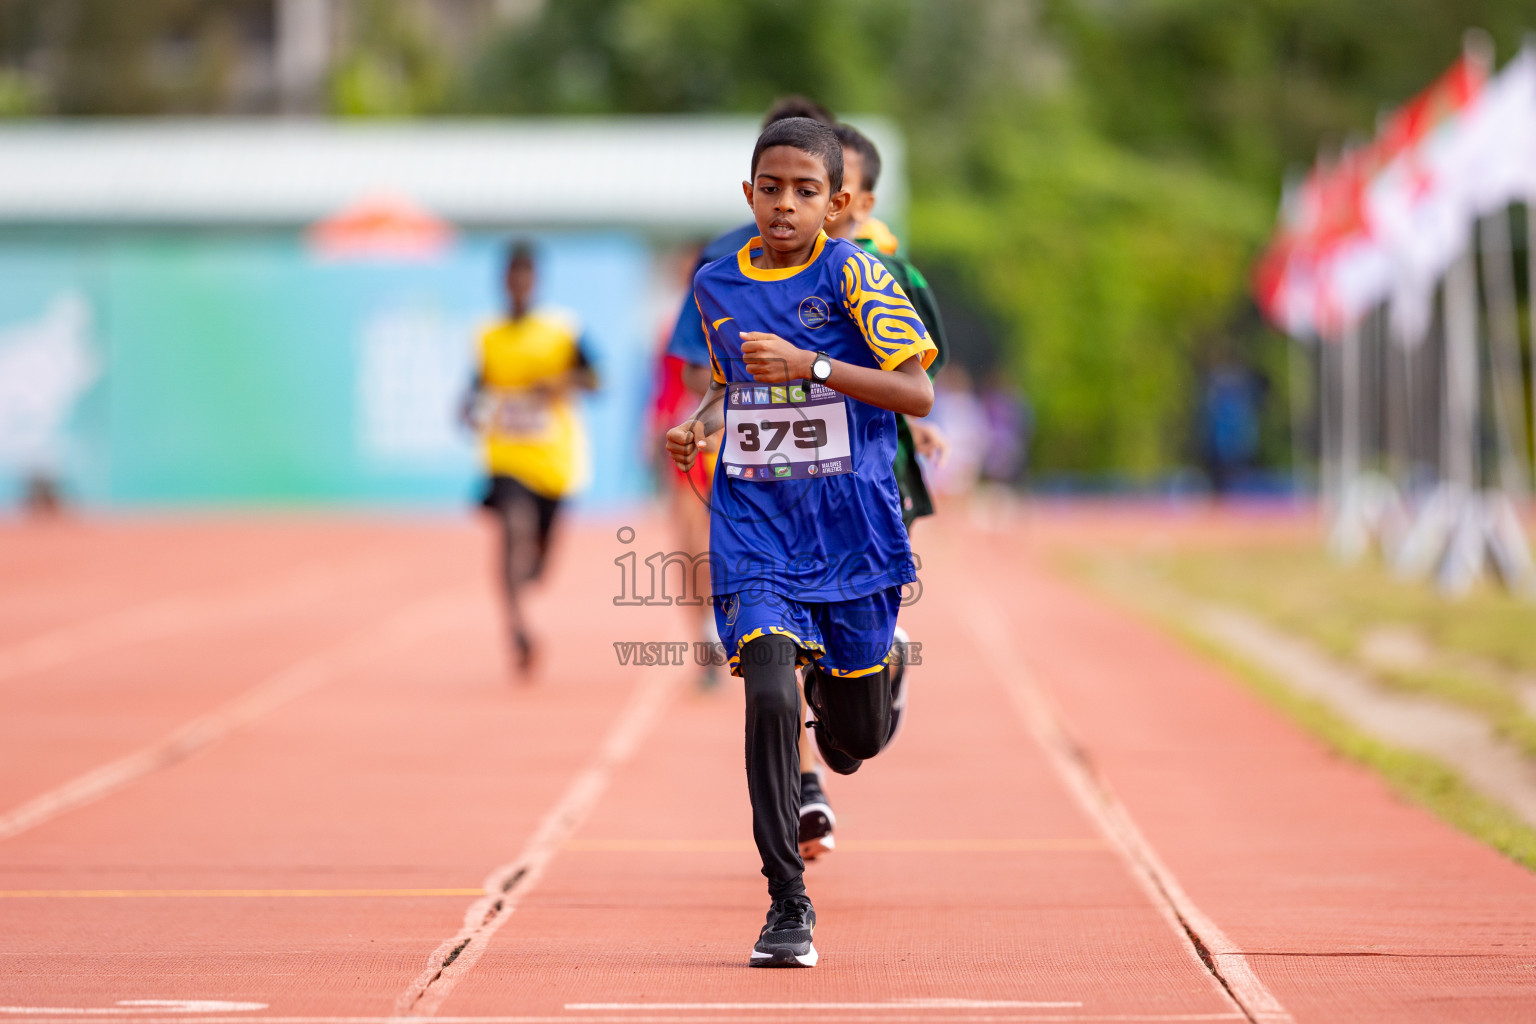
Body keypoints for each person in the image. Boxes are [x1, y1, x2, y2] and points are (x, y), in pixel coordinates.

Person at [666, 117, 937, 967]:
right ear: (749, 196)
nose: (786, 206)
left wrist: (811, 366)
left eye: (806, 192)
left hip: (851, 527)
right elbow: (731, 382)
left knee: (852, 746)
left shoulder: (856, 272)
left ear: (837, 202)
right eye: (771, 190)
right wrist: (701, 423)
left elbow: (917, 392)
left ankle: (865, 672)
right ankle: (788, 902)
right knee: (771, 697)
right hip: (755, 524)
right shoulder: (715, 285)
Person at [466, 241, 596, 677]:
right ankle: (517, 626)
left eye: (525, 278)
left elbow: (596, 378)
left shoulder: (562, 330)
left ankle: (522, 585)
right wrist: (467, 408)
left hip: (553, 461)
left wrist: (557, 383)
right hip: (504, 455)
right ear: (503, 282)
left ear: (534, 281)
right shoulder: (486, 334)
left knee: (538, 563)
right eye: (511, 278)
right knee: (511, 529)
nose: (518, 286)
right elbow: (476, 388)